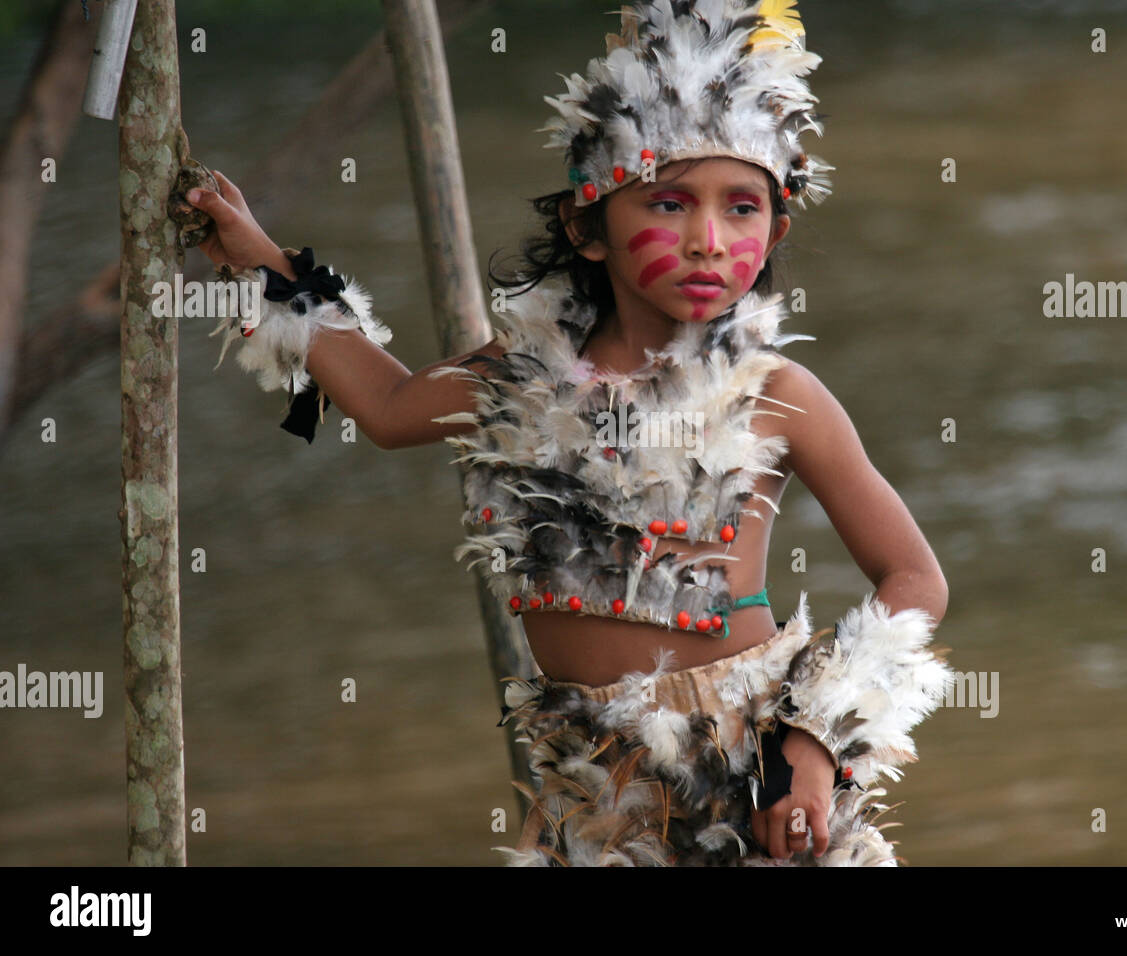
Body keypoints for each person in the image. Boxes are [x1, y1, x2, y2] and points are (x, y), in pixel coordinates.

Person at [189, 0, 953, 866]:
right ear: (589, 225)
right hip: (594, 800)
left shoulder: (779, 395)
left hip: (757, 787)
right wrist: (256, 257)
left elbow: (915, 578)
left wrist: (815, 743)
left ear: (775, 228)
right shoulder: (518, 380)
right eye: (670, 203)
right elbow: (390, 405)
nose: (708, 241)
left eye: (742, 209)